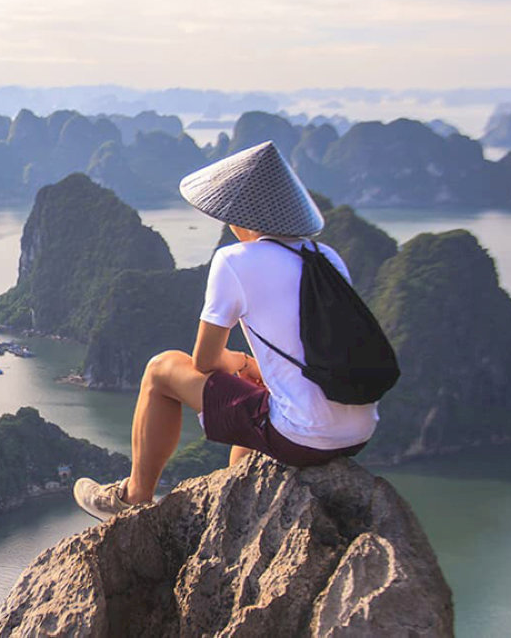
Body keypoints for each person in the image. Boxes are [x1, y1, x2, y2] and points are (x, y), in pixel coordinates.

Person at [74, 141, 378, 521]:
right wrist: (259, 372)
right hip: (359, 431)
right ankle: (232, 508)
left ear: (241, 217)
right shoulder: (327, 258)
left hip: (303, 437)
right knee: (250, 422)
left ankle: (131, 497)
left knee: (161, 368)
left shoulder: (235, 260)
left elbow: (203, 360)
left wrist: (240, 362)